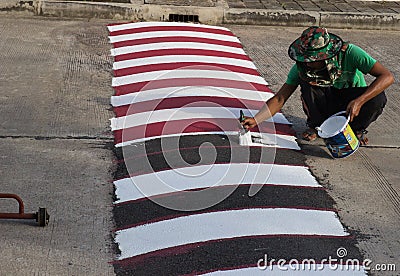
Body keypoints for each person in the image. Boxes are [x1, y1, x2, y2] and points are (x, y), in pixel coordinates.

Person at [241, 26, 394, 145]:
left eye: (312, 59)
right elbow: (280, 98)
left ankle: (355, 130)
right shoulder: (301, 68)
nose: (307, 62)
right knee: (307, 84)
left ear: (326, 55)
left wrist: (359, 101)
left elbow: (387, 77)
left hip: (350, 105)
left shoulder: (350, 53)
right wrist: (256, 120)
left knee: (378, 98)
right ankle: (317, 125)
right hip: (326, 102)